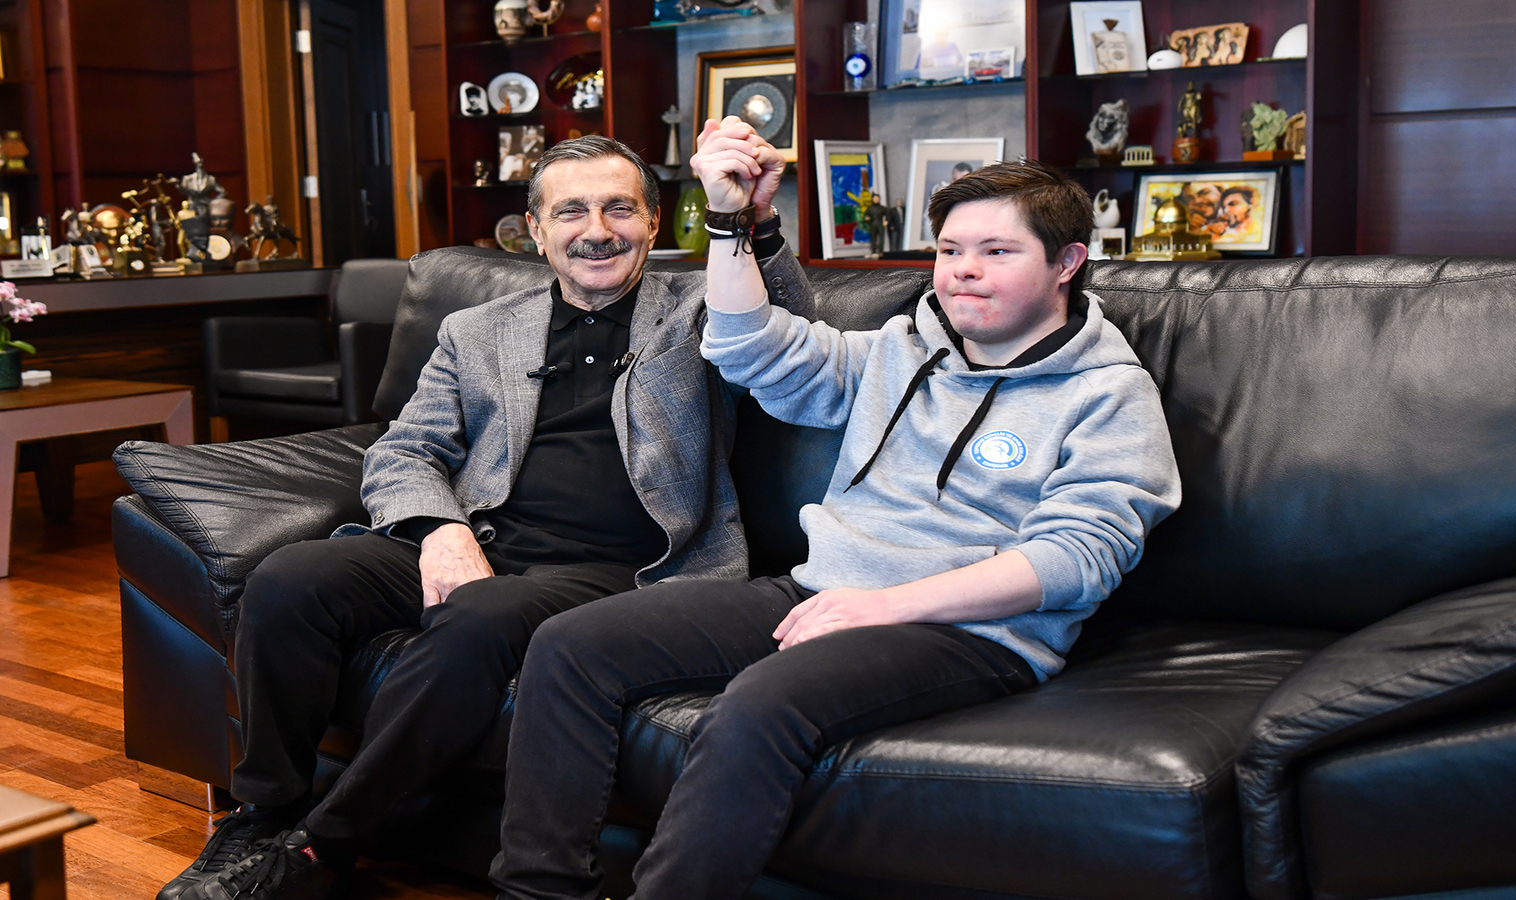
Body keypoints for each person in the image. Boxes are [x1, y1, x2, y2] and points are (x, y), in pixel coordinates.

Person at [488, 120, 1181, 900]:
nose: (964, 271)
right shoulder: (900, 349)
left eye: (997, 251)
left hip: (973, 632)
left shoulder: (1108, 393)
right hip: (823, 592)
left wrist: (884, 605)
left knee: (757, 707)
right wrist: (730, 219)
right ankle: (539, 891)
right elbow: (751, 347)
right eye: (951, 250)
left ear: (1066, 263)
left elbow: (1079, 557)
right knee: (572, 644)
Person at [157, 133, 813, 900]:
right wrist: (441, 530)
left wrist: (755, 221)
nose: (596, 230)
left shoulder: (703, 309)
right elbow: (404, 449)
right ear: (535, 230)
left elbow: (790, 334)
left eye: (618, 208)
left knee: (479, 617)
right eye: (570, 211)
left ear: (653, 222)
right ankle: (264, 814)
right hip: (486, 542)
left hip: (623, 572)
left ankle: (321, 846)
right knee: (291, 578)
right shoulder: (478, 330)